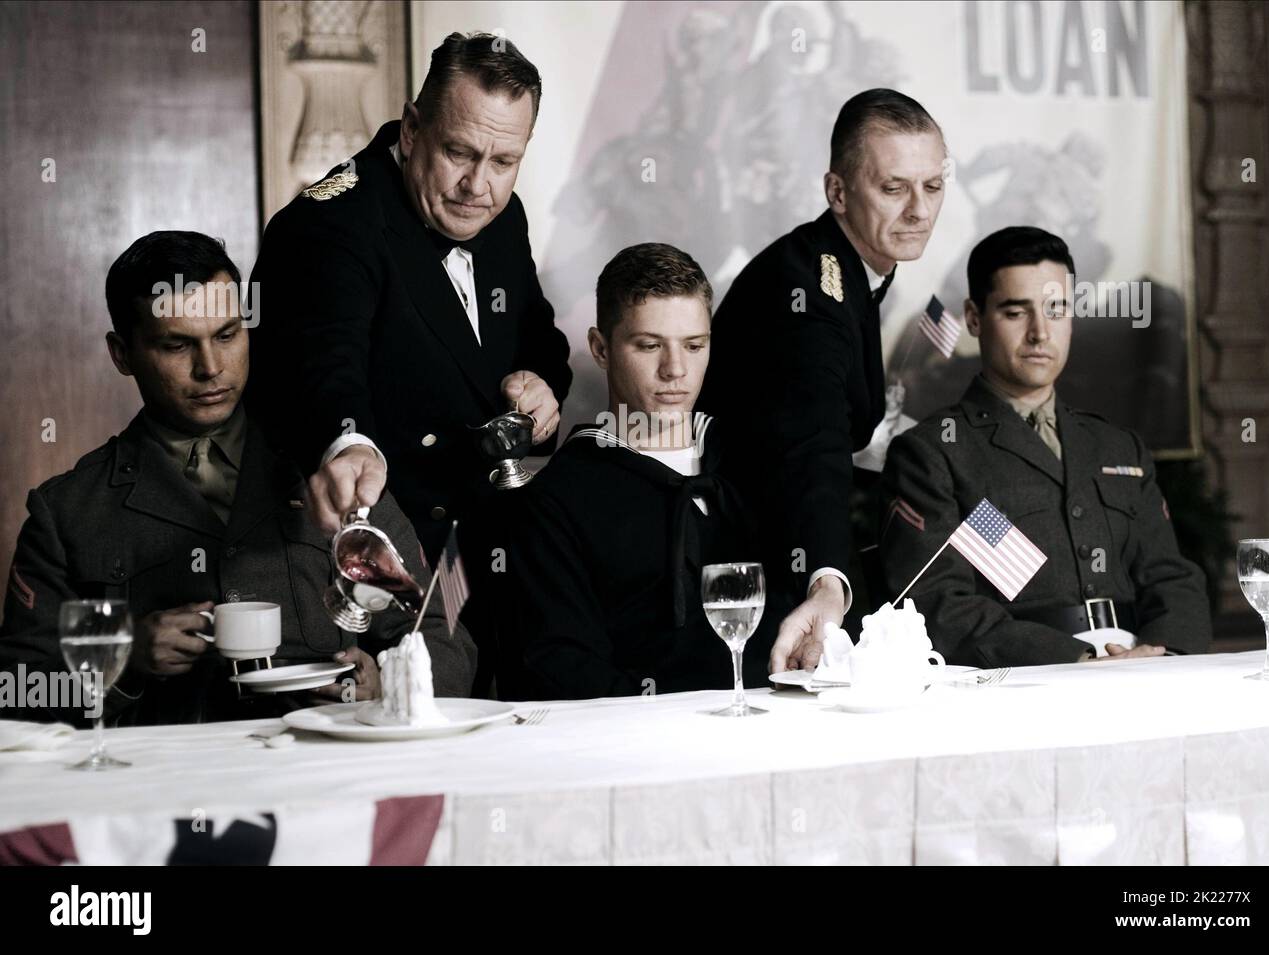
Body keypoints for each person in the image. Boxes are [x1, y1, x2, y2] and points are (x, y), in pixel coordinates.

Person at [0, 232, 475, 726]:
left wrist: (386, 681)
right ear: (123, 354)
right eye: (176, 344)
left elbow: (444, 638)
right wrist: (125, 658)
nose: (210, 369)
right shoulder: (67, 509)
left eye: (227, 336)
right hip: (160, 789)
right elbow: (17, 690)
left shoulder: (336, 472)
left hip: (321, 778)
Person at [247, 32, 572, 695]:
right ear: (414, 125)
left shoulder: (500, 219)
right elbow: (322, 358)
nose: (478, 185)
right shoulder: (333, 223)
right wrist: (348, 440)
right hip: (381, 579)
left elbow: (538, 340)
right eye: (459, 151)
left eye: (504, 160)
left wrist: (542, 384)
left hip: (492, 565)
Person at [877, 226, 1212, 666]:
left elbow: (1172, 578)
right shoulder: (933, 453)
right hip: (1024, 681)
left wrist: (1162, 651)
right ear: (974, 319)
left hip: (1142, 670)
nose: (1040, 333)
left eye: (1056, 310)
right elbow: (936, 602)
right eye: (1016, 313)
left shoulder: (1119, 448)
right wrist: (1076, 659)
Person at [698, 88, 948, 672]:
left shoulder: (832, 264)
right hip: (755, 580)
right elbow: (815, 443)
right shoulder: (808, 292)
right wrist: (827, 577)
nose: (920, 210)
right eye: (894, 188)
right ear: (837, 192)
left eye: (932, 186)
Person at [504, 244, 775, 699]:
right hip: (638, 747)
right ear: (600, 348)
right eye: (649, 346)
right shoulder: (555, 502)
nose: (675, 370)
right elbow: (563, 669)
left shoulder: (754, 464)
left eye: (694, 346)